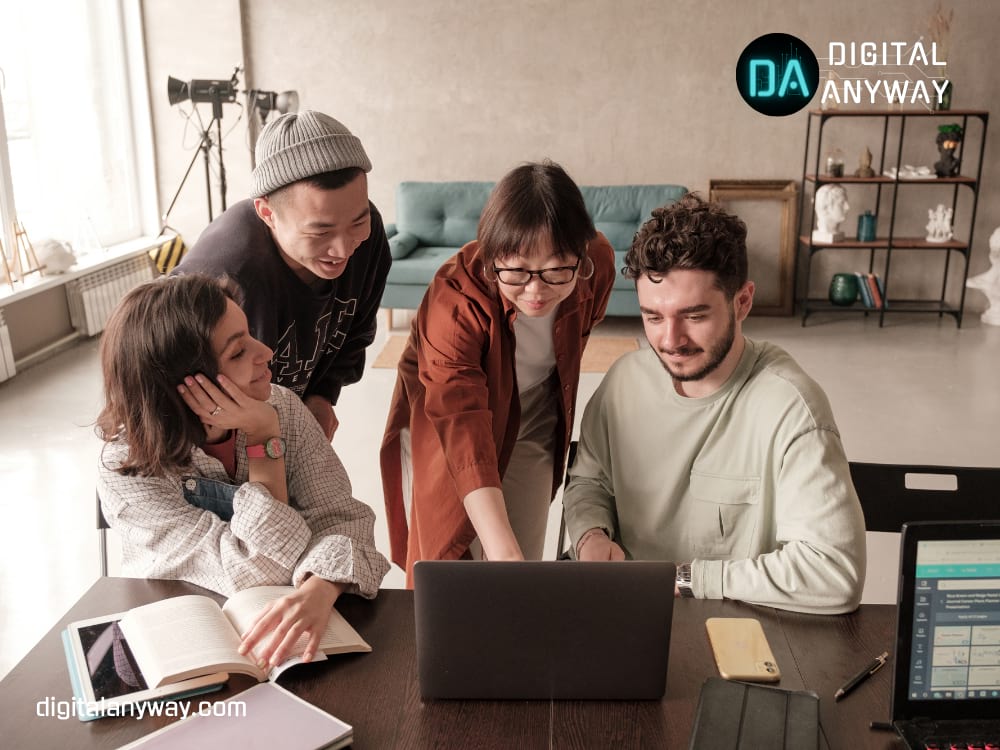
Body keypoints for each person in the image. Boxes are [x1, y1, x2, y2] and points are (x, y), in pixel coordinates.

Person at [564, 193, 866, 615]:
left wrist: (685, 579)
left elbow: (834, 572)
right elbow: (590, 482)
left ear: (742, 302)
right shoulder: (623, 382)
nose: (670, 341)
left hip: (734, 622)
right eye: (653, 317)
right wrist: (590, 537)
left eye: (695, 316)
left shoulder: (792, 407)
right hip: (623, 614)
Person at [96, 274, 390, 665]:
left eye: (250, 333)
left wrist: (321, 588)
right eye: (238, 353)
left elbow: (347, 522)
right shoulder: (125, 467)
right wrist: (264, 436)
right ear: (183, 384)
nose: (266, 351)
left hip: (284, 631)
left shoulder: (282, 406)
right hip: (184, 640)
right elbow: (258, 570)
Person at [380, 161, 616, 584]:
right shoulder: (454, 300)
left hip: (536, 411)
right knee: (446, 554)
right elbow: (460, 419)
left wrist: (510, 555)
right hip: (445, 422)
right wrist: (502, 550)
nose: (537, 291)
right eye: (517, 271)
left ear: (580, 255)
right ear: (491, 258)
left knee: (519, 550)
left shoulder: (596, 263)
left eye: (557, 269)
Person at [175, 111, 391, 440]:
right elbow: (145, 353)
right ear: (267, 213)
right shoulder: (224, 270)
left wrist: (322, 396)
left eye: (357, 223)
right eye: (321, 232)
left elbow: (356, 333)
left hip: (283, 423)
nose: (344, 248)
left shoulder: (370, 237)